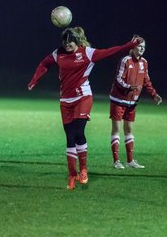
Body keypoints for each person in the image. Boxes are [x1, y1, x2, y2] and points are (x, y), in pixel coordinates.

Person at [28, 27, 143, 189]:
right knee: (69, 138)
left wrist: (129, 44)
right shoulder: (58, 53)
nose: (67, 45)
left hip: (83, 97)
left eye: (70, 42)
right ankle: (72, 174)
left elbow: (111, 51)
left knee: (78, 132)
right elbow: (44, 64)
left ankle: (83, 170)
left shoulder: (87, 53)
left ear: (76, 41)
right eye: (65, 42)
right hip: (65, 101)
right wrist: (35, 80)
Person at [109, 36, 162, 169]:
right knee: (116, 129)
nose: (142, 48)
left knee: (129, 131)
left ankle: (130, 161)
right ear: (132, 47)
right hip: (119, 100)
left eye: (143, 46)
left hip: (132, 102)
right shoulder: (125, 61)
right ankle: (116, 161)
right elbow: (118, 79)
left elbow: (146, 81)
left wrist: (154, 95)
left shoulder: (144, 62)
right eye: (139, 46)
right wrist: (129, 87)